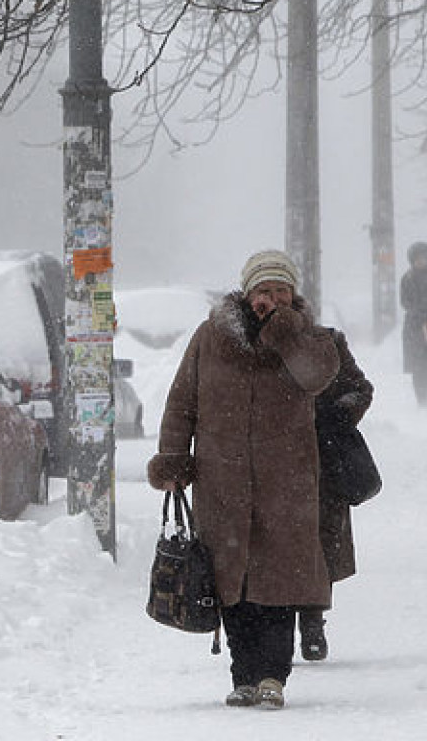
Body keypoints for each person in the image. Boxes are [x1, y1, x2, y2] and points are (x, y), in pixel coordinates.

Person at [147, 249, 339, 710]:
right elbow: (182, 402)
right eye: (263, 290)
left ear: (292, 295)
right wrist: (174, 459)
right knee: (231, 584)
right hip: (222, 481)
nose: (271, 298)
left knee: (280, 581)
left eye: (280, 291)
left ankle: (273, 675)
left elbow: (317, 376)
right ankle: (243, 676)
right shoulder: (211, 337)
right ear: (246, 292)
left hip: (286, 483)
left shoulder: (309, 338)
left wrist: (285, 332)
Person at [297, 328, 374, 661]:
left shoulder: (325, 341)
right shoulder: (255, 345)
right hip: (272, 461)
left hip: (323, 463)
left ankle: (312, 621)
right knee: (276, 542)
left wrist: (333, 417)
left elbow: (360, 389)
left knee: (320, 540)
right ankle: (278, 625)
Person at [400, 242, 427, 406]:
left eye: (424, 257)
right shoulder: (407, 278)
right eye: (418, 258)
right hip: (414, 327)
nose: (421, 261)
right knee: (418, 367)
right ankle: (422, 400)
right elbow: (405, 302)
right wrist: (420, 313)